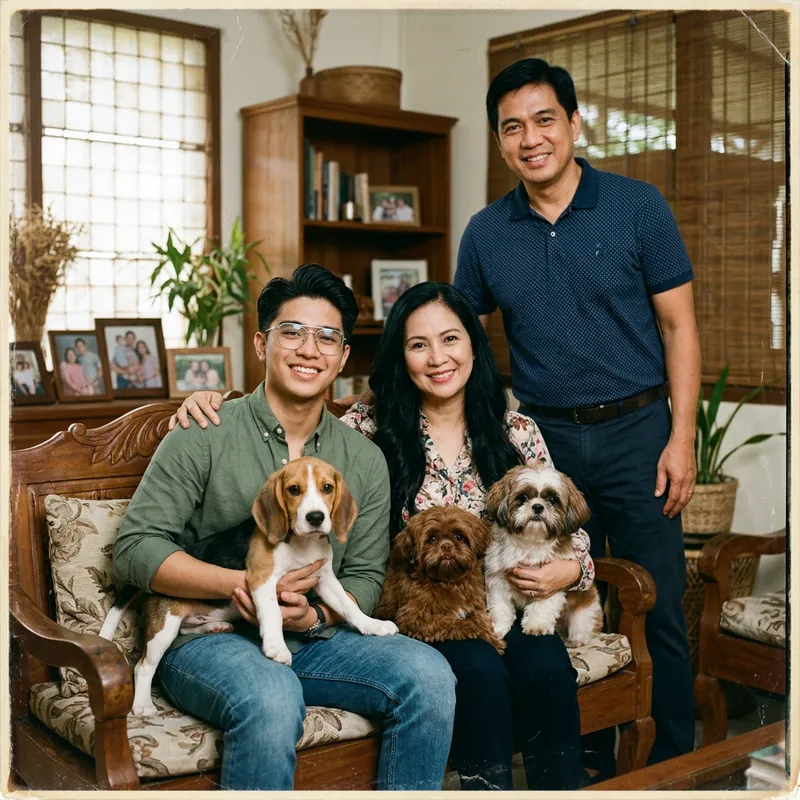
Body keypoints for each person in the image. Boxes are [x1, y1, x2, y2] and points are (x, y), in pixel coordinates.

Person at [172, 281, 596, 791]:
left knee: (545, 666)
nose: (437, 358)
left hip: (514, 595)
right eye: (419, 345)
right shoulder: (367, 428)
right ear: (401, 355)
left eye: (451, 339)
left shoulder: (516, 431)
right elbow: (297, 427)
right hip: (428, 608)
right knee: (478, 672)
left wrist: (571, 570)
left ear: (473, 347)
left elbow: (566, 523)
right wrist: (207, 398)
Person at [113, 264, 456, 791]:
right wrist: (241, 584)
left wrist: (312, 613)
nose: (308, 349)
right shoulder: (201, 430)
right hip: (207, 637)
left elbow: (365, 574)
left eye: (327, 338)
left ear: (343, 356)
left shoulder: (361, 458)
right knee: (272, 695)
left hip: (315, 637)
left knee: (431, 676)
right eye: (291, 332)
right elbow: (134, 550)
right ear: (261, 343)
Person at [454, 57, 700, 773]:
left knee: (657, 605)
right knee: (540, 599)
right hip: (543, 444)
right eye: (512, 128)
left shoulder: (638, 206)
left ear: (574, 123)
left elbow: (680, 327)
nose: (530, 138)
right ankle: (582, 757)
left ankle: (676, 768)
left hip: (639, 433)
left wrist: (681, 438)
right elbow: (454, 335)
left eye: (544, 120)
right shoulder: (485, 232)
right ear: (501, 143)